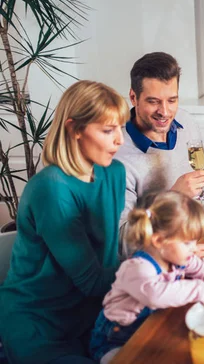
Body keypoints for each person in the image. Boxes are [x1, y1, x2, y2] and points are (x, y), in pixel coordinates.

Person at [0, 81, 129, 364]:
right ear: (74, 129)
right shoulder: (51, 189)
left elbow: (107, 252)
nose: (120, 140)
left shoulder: (114, 173)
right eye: (108, 130)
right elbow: (93, 280)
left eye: (120, 127)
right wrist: (155, 264)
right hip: (40, 326)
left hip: (94, 315)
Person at [115, 52, 204, 256]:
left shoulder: (184, 121)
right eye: (153, 101)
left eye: (172, 100)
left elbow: (203, 165)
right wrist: (173, 197)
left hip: (197, 237)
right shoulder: (118, 157)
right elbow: (123, 240)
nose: (165, 112)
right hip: (161, 260)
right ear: (133, 97)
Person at [89, 191, 204, 363]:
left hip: (150, 329)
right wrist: (202, 290)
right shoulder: (137, 268)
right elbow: (155, 295)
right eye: (187, 243)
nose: (194, 248)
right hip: (115, 342)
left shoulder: (178, 257)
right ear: (159, 241)